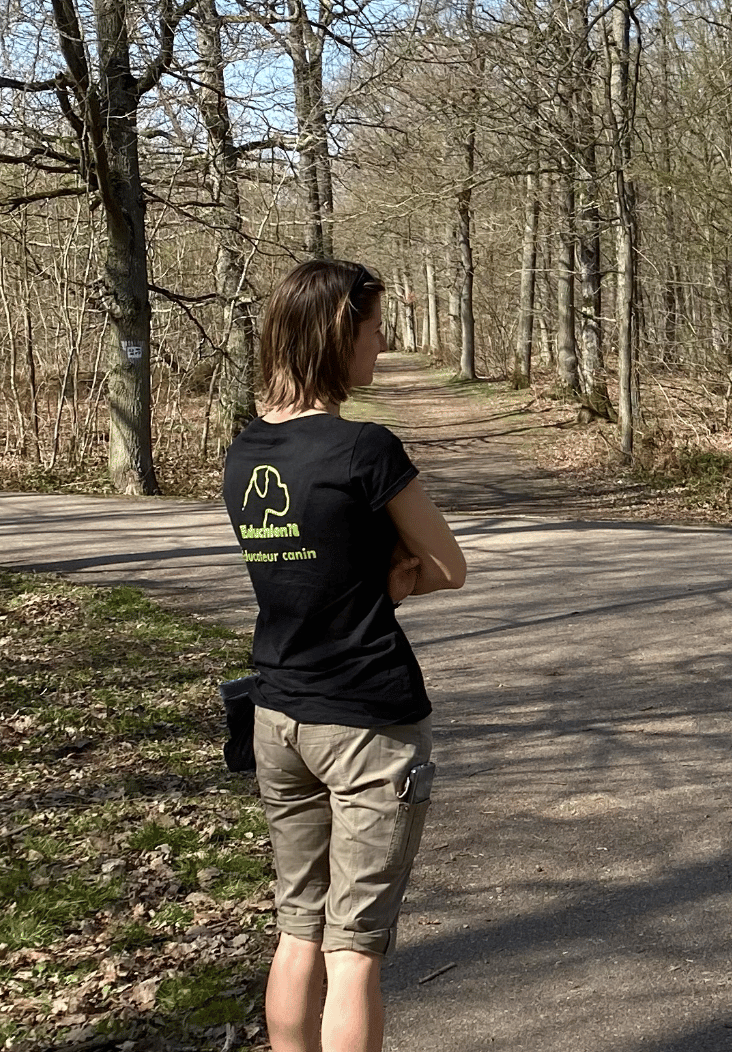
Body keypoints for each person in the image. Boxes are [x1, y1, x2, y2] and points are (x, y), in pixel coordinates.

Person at [223, 260, 466, 1052]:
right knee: (353, 946)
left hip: (277, 716)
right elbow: (449, 566)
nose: (382, 341)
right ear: (337, 336)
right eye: (372, 328)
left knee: (298, 927)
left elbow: (305, 570)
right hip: (368, 723)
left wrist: (365, 578)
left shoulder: (246, 453)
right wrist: (391, 584)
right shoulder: (364, 450)